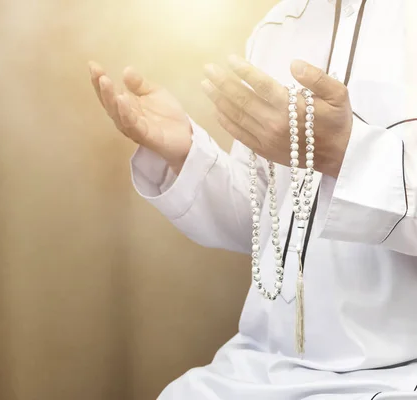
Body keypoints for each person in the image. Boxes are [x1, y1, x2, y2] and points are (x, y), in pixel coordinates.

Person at [89, 0, 417, 399]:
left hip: (397, 376)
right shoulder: (276, 29)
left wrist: (346, 153)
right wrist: (184, 153)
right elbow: (262, 223)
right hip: (263, 367)